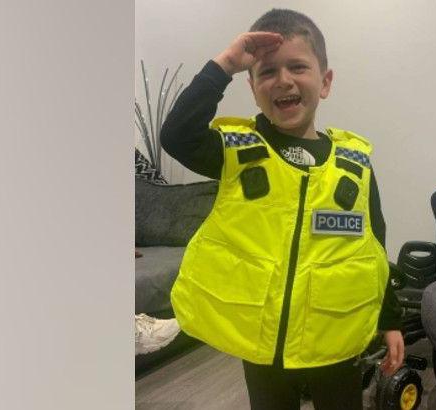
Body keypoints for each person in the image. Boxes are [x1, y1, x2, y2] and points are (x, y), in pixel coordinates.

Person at [161, 9, 403, 410]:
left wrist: (389, 319)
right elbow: (177, 135)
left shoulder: (354, 164)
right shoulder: (237, 151)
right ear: (253, 88)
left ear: (325, 82)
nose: (284, 79)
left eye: (297, 67)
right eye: (267, 72)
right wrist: (225, 65)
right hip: (264, 341)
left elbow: (373, 245)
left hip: (334, 335)